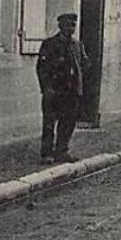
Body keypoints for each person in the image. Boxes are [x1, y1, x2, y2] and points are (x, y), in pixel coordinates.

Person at [36, 12, 86, 163]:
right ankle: (46, 153)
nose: (71, 28)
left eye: (73, 25)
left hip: (71, 92)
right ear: (60, 26)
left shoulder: (77, 45)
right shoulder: (50, 44)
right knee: (50, 122)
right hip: (54, 90)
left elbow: (84, 62)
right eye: (67, 25)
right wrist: (46, 88)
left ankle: (62, 151)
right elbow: (41, 68)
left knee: (68, 122)